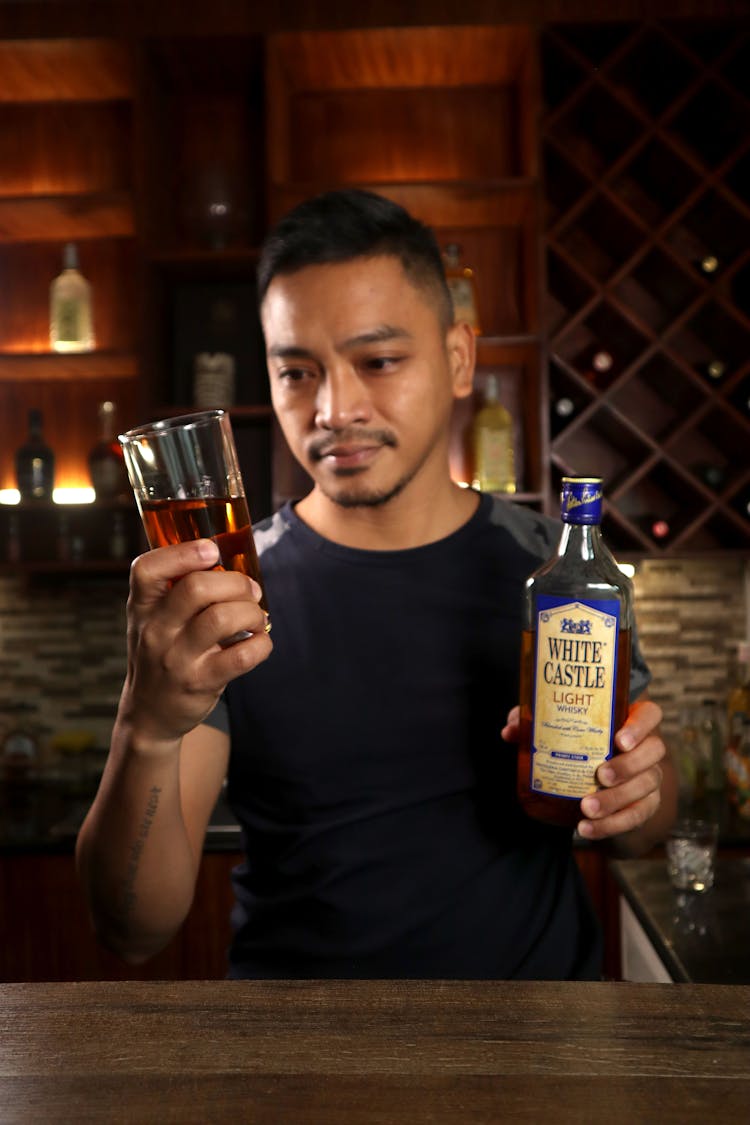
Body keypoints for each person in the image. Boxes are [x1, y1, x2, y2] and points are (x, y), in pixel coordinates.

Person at [76, 188, 677, 980]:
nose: (334, 408)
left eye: (379, 360)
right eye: (297, 371)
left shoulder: (554, 567)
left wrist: (640, 792)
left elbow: (649, 824)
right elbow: (134, 929)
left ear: (459, 358)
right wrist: (144, 728)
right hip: (299, 1064)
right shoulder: (226, 588)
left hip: (534, 1055)